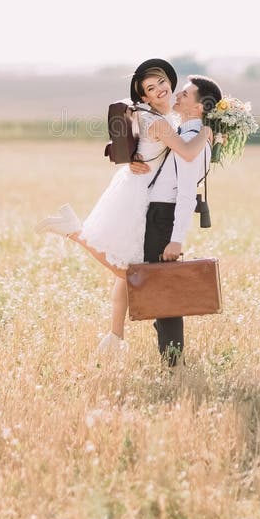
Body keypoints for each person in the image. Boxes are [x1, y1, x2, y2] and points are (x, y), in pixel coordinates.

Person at [35, 59, 212, 353]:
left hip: (136, 187)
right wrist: (208, 132)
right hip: (140, 195)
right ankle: (74, 232)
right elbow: (188, 152)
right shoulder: (156, 121)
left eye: (162, 83)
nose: (160, 90)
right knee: (130, 271)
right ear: (142, 96)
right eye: (150, 88)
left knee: (128, 265)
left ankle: (114, 338)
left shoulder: (156, 116)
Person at [130, 74, 223, 366]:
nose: (177, 97)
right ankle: (170, 358)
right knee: (156, 286)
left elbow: (185, 194)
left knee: (164, 289)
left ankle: (172, 362)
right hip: (159, 212)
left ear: (200, 108)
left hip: (164, 215)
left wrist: (176, 238)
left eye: (185, 94)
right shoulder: (187, 136)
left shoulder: (191, 141)